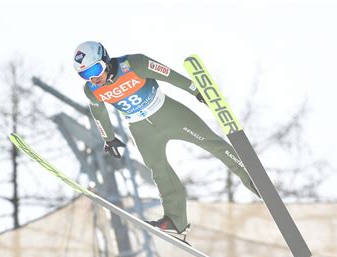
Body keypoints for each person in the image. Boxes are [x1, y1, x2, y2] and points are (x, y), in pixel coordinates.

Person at [73, 41, 260, 237]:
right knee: (159, 170)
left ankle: (254, 180)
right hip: (141, 130)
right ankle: (175, 221)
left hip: (169, 114)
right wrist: (108, 139)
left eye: (95, 69)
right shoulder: (92, 90)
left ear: (105, 60)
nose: (93, 78)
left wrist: (195, 89)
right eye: (85, 75)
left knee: (211, 143)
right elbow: (99, 113)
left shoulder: (133, 64)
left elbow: (168, 74)